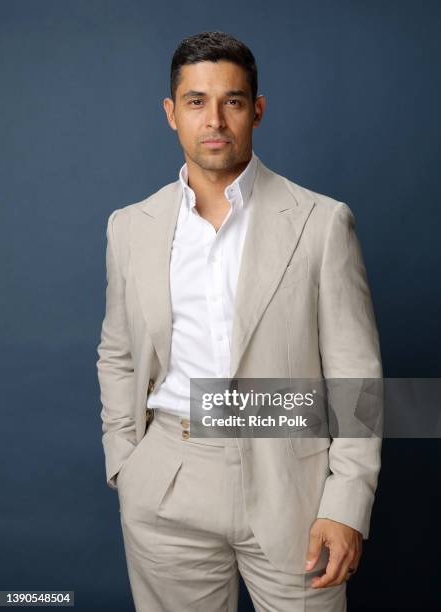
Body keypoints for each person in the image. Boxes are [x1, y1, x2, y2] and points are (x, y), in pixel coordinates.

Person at [96, 30, 383, 612]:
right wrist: (126, 464)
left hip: (292, 483)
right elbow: (119, 353)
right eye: (197, 101)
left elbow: (357, 379)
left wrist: (346, 503)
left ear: (257, 110)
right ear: (171, 113)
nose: (215, 120)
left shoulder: (321, 222)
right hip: (169, 480)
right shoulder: (130, 227)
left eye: (231, 101)